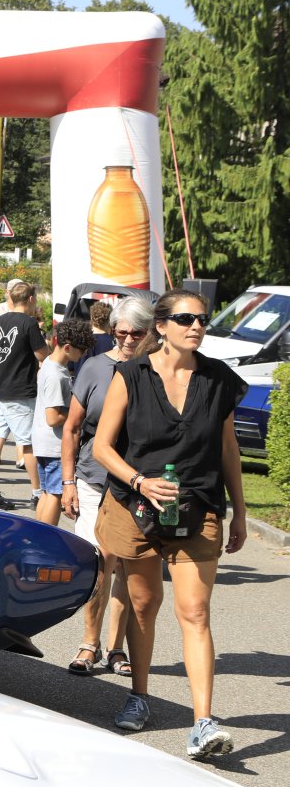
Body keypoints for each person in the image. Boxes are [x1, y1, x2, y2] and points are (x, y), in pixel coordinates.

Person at [91, 289, 248, 758]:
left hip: (198, 507)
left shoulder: (219, 379)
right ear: (161, 326)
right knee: (143, 605)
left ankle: (203, 722)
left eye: (202, 319)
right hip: (135, 507)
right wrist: (140, 481)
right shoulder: (131, 375)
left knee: (195, 612)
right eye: (185, 319)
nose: (196, 326)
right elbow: (102, 447)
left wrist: (239, 510)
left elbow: (228, 449)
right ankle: (139, 695)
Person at [62, 295, 153, 679]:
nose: (128, 340)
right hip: (92, 479)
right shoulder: (94, 367)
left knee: (128, 569)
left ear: (150, 332)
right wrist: (68, 482)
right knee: (100, 564)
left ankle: (116, 647)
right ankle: (89, 643)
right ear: (112, 331)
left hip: (138, 486)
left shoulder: (156, 369)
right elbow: (71, 428)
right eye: (121, 333)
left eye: (137, 333)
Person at [0, 280, 47, 509]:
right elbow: (43, 356)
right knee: (27, 444)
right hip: (20, 392)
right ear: (31, 299)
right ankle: (38, 493)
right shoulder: (29, 323)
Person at [33, 318, 96, 526]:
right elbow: (53, 418)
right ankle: (46, 536)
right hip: (55, 445)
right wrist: (79, 413)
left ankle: (36, 535)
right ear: (68, 348)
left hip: (43, 442)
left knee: (46, 492)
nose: (84, 354)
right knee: (55, 494)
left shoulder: (48, 365)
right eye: (82, 350)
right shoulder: (56, 375)